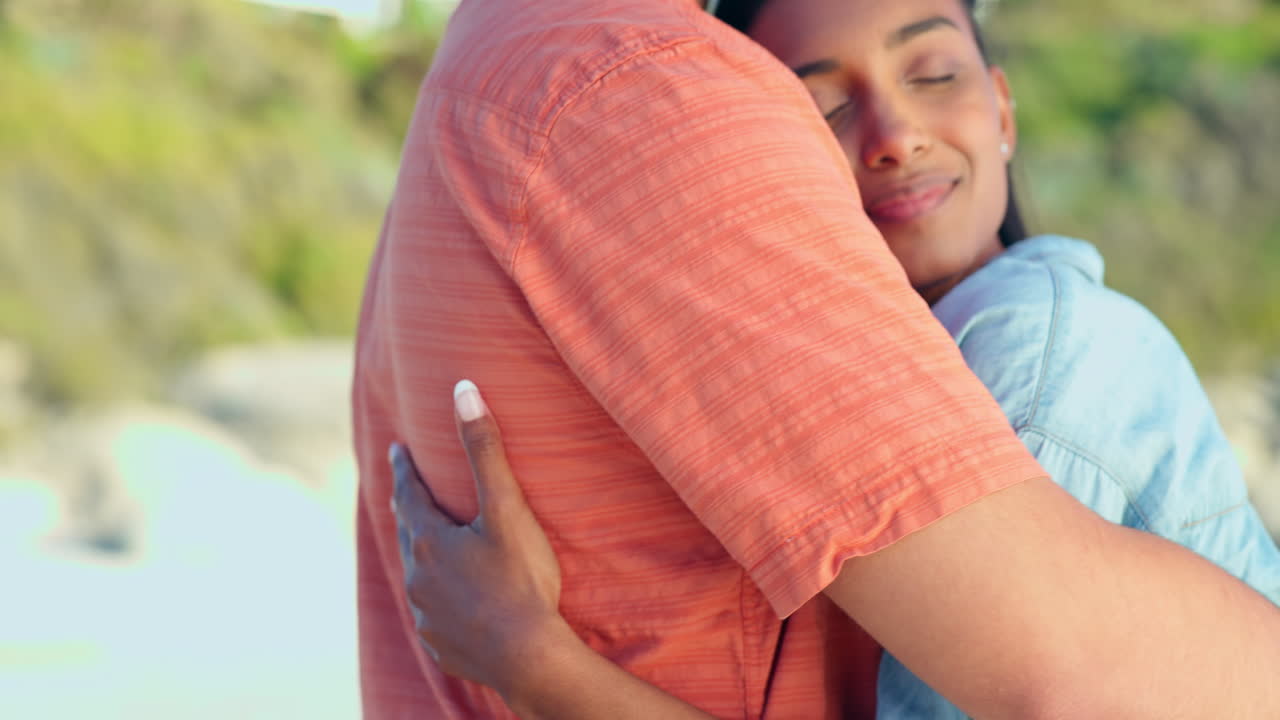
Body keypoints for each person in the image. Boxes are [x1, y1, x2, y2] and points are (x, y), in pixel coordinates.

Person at [357, 0, 1280, 717]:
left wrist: (542, 671)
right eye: (824, 104)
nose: (894, 135)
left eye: (933, 72)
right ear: (782, 148)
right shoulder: (595, 82)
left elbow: (1065, 674)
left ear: (1003, 108)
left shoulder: (1035, 357)